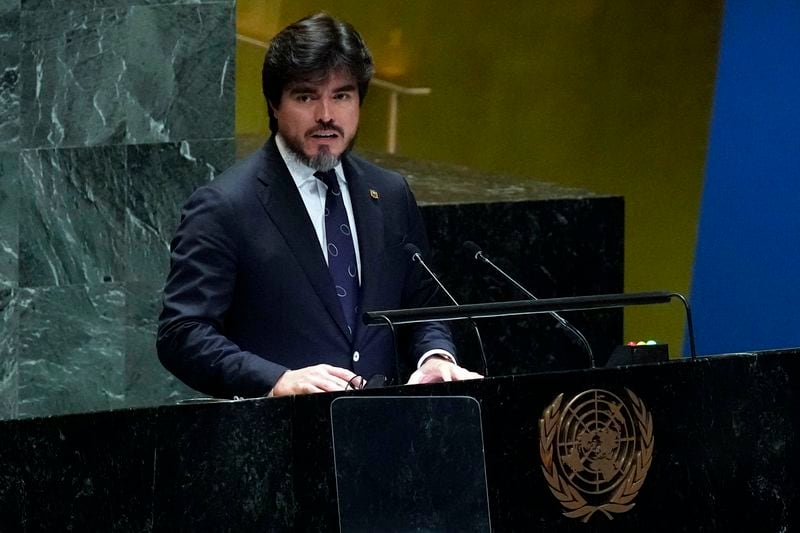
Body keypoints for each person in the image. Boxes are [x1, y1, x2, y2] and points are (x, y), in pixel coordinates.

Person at [156, 12, 481, 398]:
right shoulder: (224, 206)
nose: (326, 114)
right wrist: (276, 380)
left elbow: (423, 306)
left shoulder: (390, 194)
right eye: (307, 96)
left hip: (386, 432)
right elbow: (182, 334)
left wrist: (434, 357)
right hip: (280, 438)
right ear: (275, 104)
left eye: (341, 95)